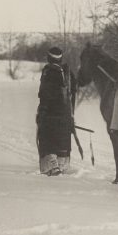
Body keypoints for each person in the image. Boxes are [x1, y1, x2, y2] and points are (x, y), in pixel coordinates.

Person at [36, 46, 76, 176]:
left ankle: (52, 167)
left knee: (47, 137)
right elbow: (73, 92)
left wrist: (42, 112)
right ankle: (62, 165)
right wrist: (70, 113)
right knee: (63, 139)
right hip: (66, 114)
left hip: (51, 113)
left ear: (49, 58)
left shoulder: (48, 71)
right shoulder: (68, 72)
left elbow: (45, 94)